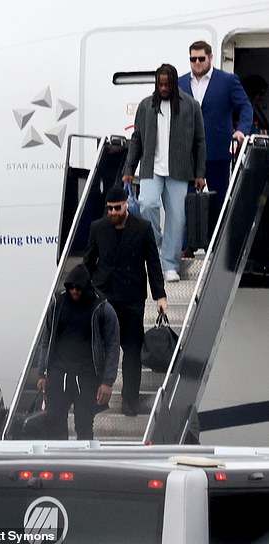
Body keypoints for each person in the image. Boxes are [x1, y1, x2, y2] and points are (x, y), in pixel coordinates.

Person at [83, 184, 167, 416]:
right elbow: (89, 263)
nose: (112, 213)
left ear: (127, 205)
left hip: (131, 298)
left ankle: (130, 399)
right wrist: (84, 291)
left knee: (131, 351)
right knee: (101, 350)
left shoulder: (142, 229)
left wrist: (160, 295)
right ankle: (99, 398)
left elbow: (153, 263)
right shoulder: (98, 228)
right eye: (109, 209)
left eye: (116, 208)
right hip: (105, 298)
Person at [122, 63, 206, 282]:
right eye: (160, 84)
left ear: (175, 83)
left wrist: (199, 173)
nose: (164, 88)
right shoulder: (145, 106)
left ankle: (170, 264)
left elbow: (199, 141)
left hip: (179, 170)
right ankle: (157, 241)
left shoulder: (190, 105)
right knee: (147, 204)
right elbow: (137, 138)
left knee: (177, 219)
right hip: (151, 167)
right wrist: (129, 169)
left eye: (168, 84)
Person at [37, 263, 120, 440]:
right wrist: (42, 373)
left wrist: (107, 381)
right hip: (59, 374)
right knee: (55, 423)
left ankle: (84, 465)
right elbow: (47, 339)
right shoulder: (57, 303)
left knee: (84, 426)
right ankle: (59, 463)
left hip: (87, 376)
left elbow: (113, 345)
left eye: (78, 288)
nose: (74, 291)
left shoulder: (102, 307)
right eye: (71, 288)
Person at [178, 40, 253, 213]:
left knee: (219, 206)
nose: (197, 63)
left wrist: (241, 131)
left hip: (217, 154)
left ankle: (217, 240)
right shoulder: (180, 83)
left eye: (201, 58)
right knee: (187, 207)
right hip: (187, 158)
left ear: (210, 58)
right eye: (193, 59)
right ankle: (188, 241)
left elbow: (245, 107)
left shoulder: (227, 81)